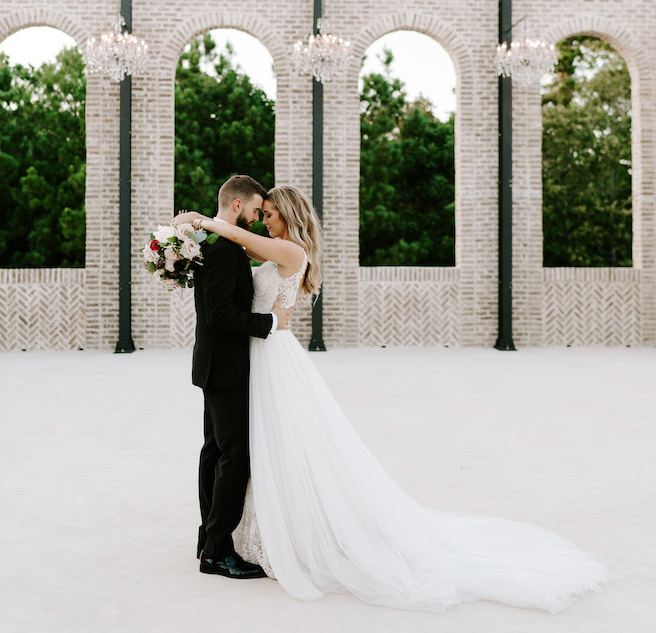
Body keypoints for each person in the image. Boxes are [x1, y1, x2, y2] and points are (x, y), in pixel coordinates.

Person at [173, 185, 608, 613]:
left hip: (273, 354)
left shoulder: (290, 253)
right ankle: (222, 538)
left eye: (269, 214)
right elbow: (233, 250)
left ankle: (246, 538)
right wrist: (190, 239)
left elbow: (240, 240)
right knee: (242, 449)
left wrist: (199, 221)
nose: (262, 221)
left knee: (260, 448)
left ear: (288, 215)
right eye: (260, 213)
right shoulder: (269, 247)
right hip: (255, 355)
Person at [188, 175, 293, 580]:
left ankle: (207, 537)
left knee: (215, 451)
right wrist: (270, 322)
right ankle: (216, 551)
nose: (257, 217)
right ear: (238, 206)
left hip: (219, 365)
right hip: (225, 368)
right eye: (255, 210)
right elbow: (220, 316)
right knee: (234, 457)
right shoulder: (221, 251)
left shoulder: (219, 245)